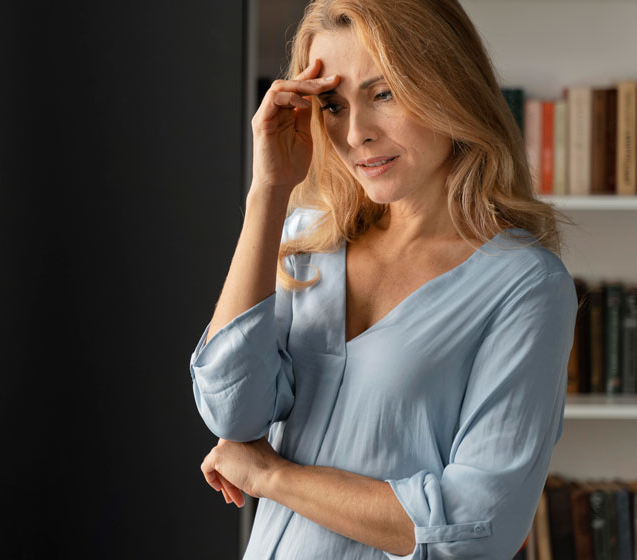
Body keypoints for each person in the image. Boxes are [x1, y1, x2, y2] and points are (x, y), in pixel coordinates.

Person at [189, 0, 578, 558]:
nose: (355, 135)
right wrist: (269, 193)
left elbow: (477, 527)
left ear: (449, 86)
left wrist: (272, 477)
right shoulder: (306, 239)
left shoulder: (524, 286)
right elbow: (231, 411)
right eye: (331, 104)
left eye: (384, 93)